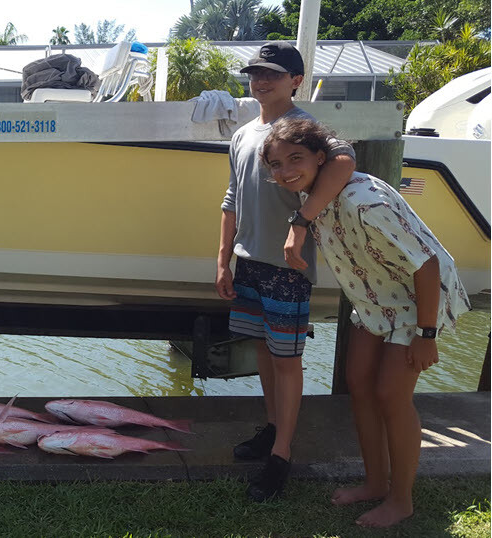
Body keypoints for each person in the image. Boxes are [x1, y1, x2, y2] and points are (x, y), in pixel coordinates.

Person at [261, 117, 470, 527]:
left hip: (415, 303)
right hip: (375, 302)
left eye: (295, 158)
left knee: (392, 395)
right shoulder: (313, 204)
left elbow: (426, 266)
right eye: (275, 163)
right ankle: (375, 482)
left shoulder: (362, 200)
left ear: (321, 158)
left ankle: (401, 499)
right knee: (358, 384)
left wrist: (426, 335)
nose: (284, 171)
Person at [216, 41, 357, 502]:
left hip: (288, 269)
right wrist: (223, 258)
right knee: (261, 351)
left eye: (272, 73)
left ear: (296, 79)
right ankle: (273, 427)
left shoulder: (304, 127)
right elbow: (232, 199)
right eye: (255, 73)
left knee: (286, 360)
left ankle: (281, 455)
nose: (261, 80)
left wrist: (301, 222)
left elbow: (343, 161)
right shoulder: (242, 135)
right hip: (250, 262)